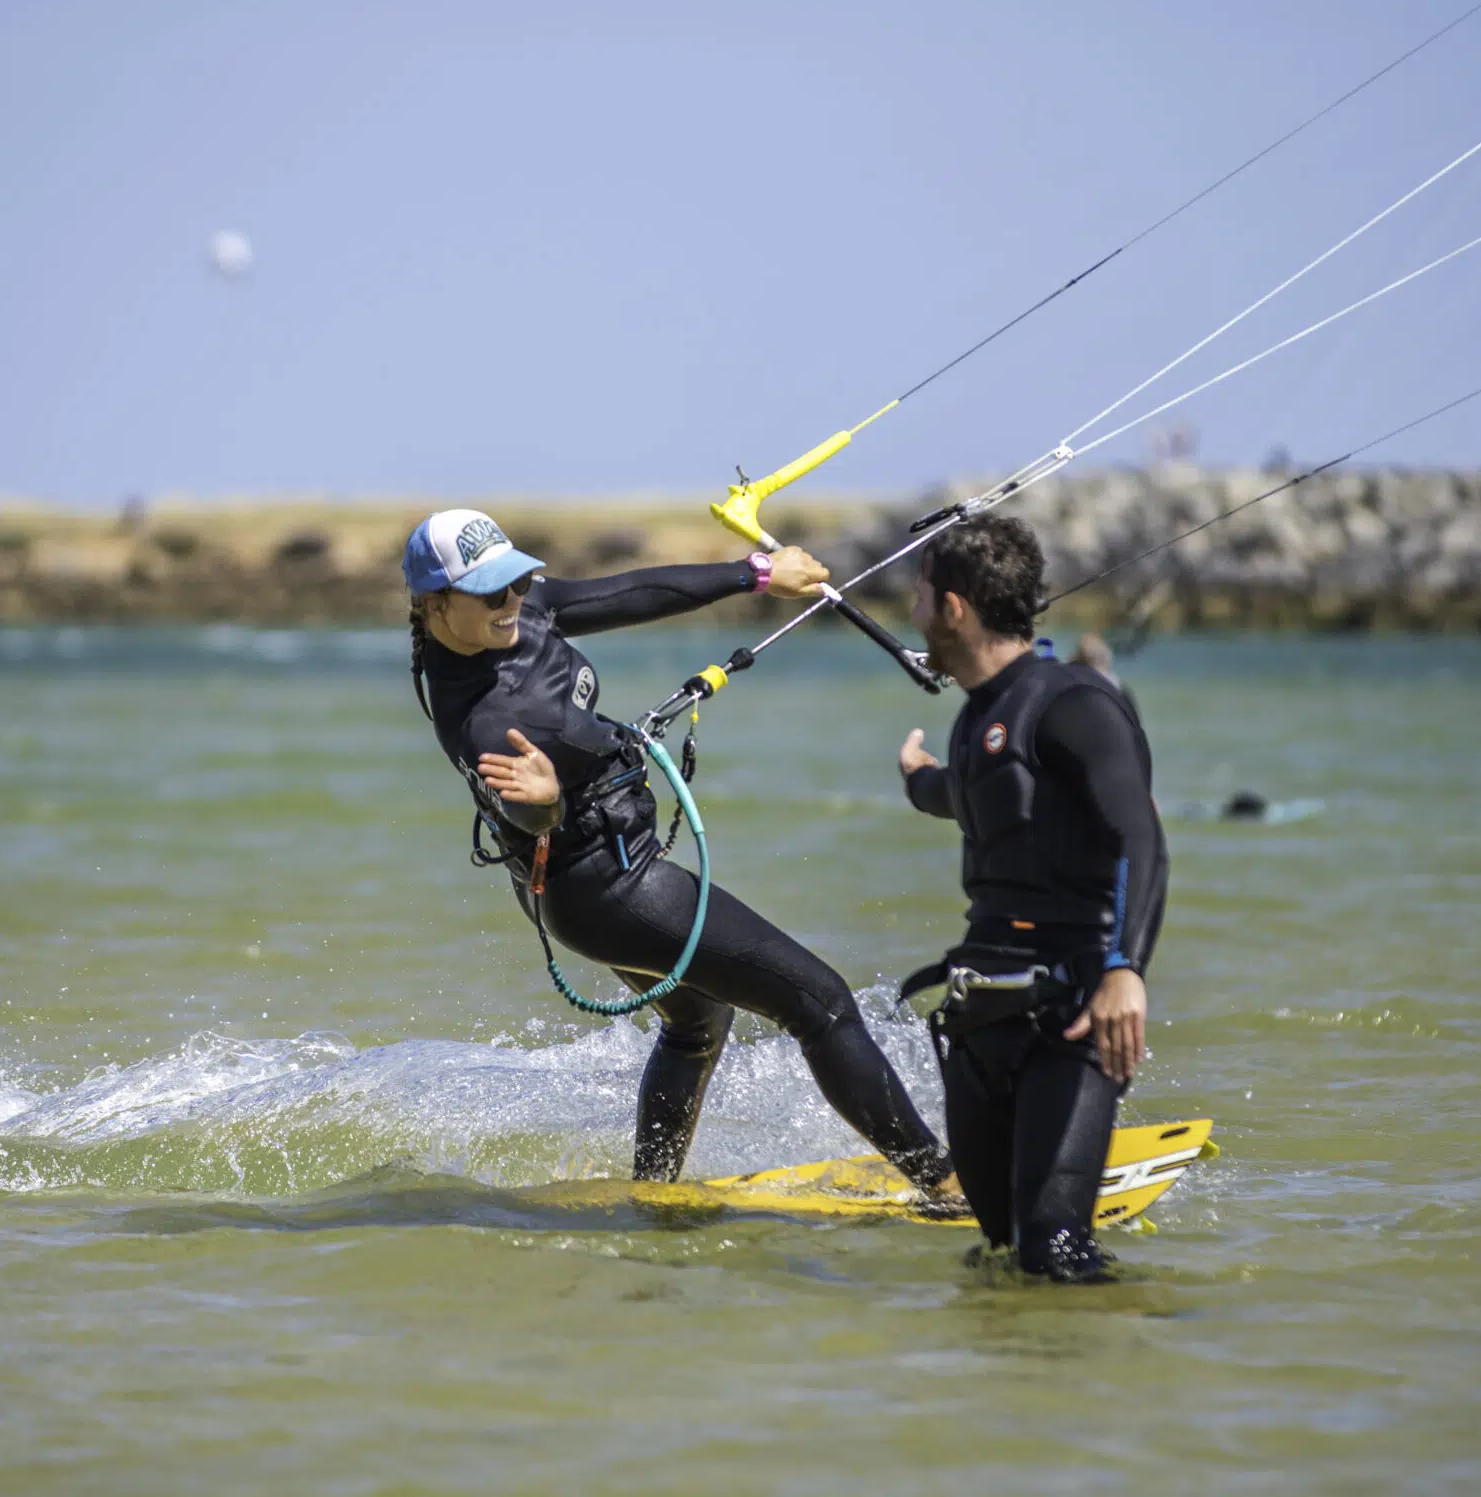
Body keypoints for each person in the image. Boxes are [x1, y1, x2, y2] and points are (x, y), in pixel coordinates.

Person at [404, 507, 957, 1195]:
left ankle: (655, 1192)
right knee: (822, 1002)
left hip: (602, 869)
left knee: (698, 1022)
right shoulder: (485, 716)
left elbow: (629, 592)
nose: (513, 601)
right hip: (607, 887)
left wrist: (755, 574)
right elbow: (527, 809)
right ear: (434, 603)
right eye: (491, 592)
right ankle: (943, 1183)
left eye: (516, 581)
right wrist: (543, 798)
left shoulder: (516, 612)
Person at [895, 516, 1166, 1280]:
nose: (909, 615)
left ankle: (1132, 1370)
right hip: (979, 1017)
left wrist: (1126, 969)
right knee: (1003, 1252)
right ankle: (1012, 1389)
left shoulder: (1076, 705)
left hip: (1069, 1014)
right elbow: (972, 794)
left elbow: (1142, 839)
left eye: (917, 597)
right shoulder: (975, 716)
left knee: (1055, 1249)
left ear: (954, 608)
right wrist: (916, 778)